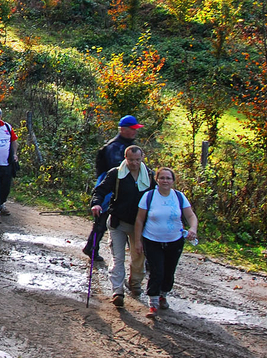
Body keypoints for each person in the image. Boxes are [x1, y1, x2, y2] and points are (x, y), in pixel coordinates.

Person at [90, 145, 154, 306]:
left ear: (142, 158)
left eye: (137, 160)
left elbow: (157, 198)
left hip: (139, 226)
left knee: (138, 257)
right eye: (131, 160)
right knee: (118, 258)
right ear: (125, 158)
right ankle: (117, 291)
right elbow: (100, 190)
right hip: (118, 222)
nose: (134, 163)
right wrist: (96, 204)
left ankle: (135, 283)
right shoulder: (116, 173)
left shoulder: (150, 177)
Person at [133, 167, 198, 316]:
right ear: (157, 180)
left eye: (168, 178)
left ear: (173, 181)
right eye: (162, 178)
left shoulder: (179, 197)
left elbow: (190, 216)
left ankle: (163, 295)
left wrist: (193, 229)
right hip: (152, 240)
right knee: (157, 271)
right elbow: (139, 220)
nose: (165, 181)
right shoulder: (149, 196)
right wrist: (138, 241)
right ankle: (153, 303)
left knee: (169, 272)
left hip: (174, 241)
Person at [84, 115, 144, 262]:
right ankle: (92, 248)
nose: (135, 132)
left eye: (136, 129)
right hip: (110, 188)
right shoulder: (114, 147)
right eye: (132, 129)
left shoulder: (128, 146)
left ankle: (140, 256)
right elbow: (116, 171)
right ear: (123, 130)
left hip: (123, 189)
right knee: (102, 220)